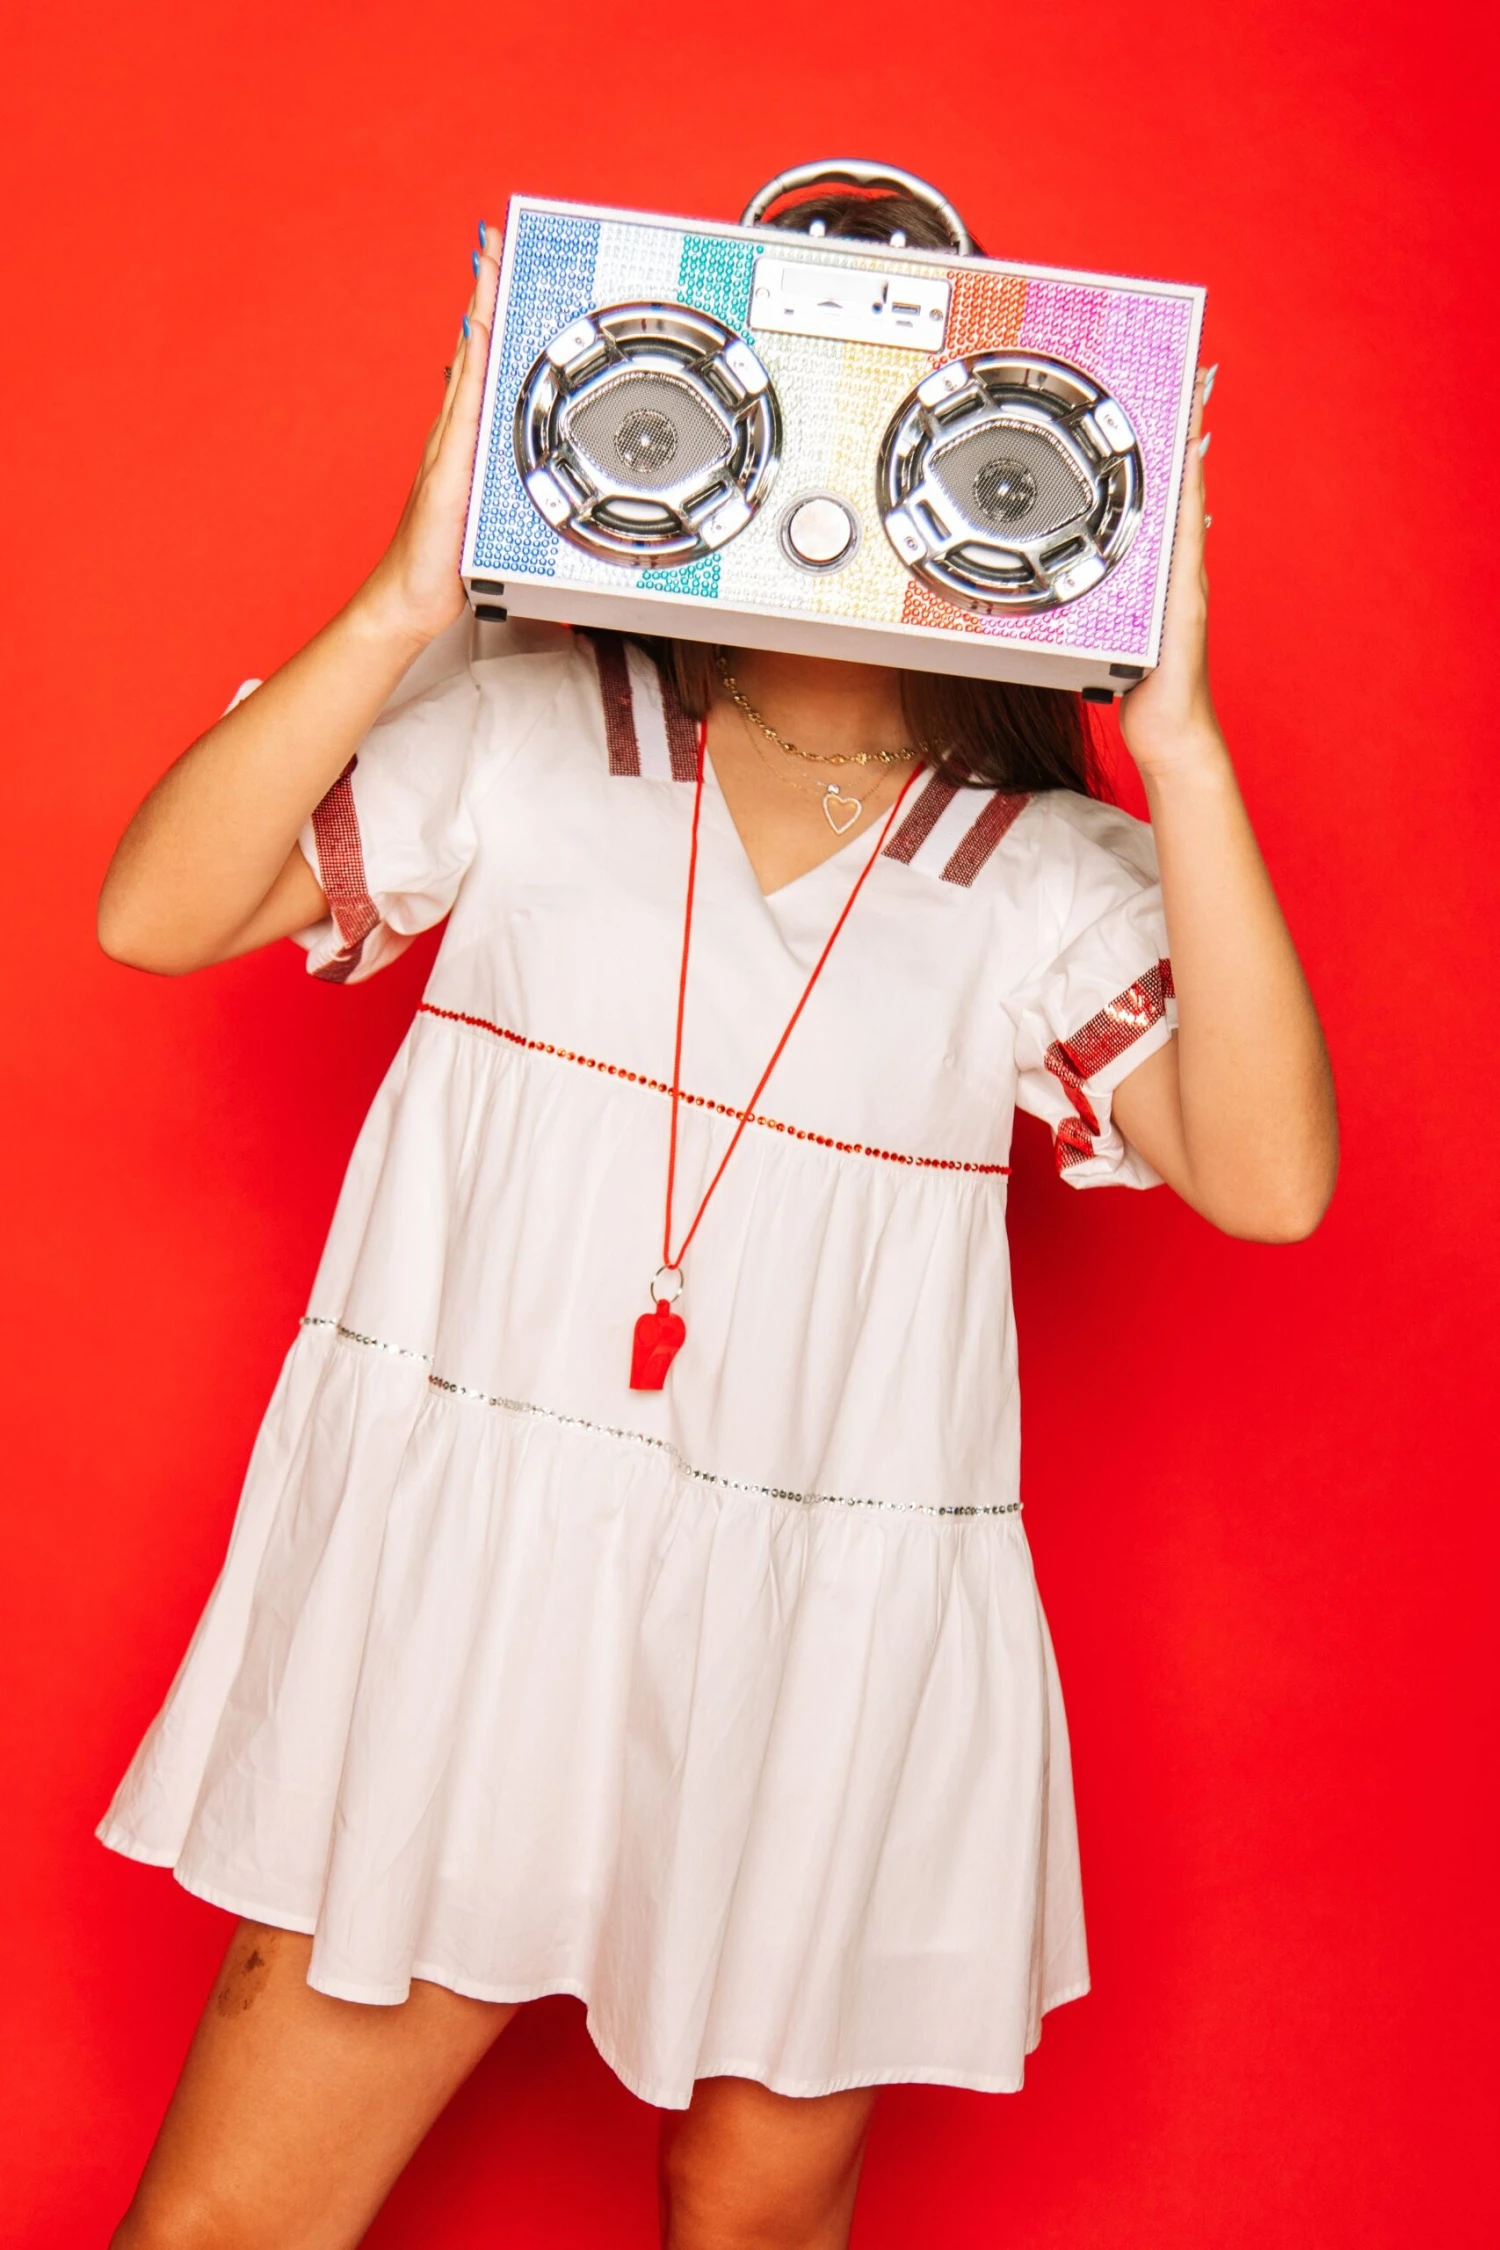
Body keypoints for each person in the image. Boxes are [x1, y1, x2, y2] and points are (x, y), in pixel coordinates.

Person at [94, 177, 1337, 2250]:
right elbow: (155, 913)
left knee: (757, 2192)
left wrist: (1179, 742)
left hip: (829, 1629)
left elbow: (1273, 1184)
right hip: (480, 1596)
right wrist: (420, 592)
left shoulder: (1039, 880)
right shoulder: (523, 740)